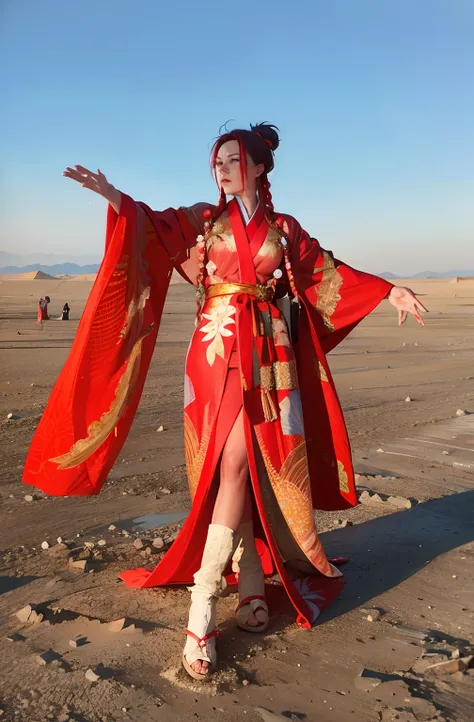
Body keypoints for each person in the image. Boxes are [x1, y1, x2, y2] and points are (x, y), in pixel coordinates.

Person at [23, 123, 427, 681]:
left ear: (259, 166)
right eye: (217, 160)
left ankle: (249, 581)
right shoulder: (203, 219)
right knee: (228, 464)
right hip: (213, 352)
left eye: (233, 159)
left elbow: (324, 273)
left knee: (251, 463)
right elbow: (154, 229)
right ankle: (205, 605)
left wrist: (388, 290)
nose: (222, 168)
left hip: (268, 354)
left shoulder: (283, 229)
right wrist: (116, 199)